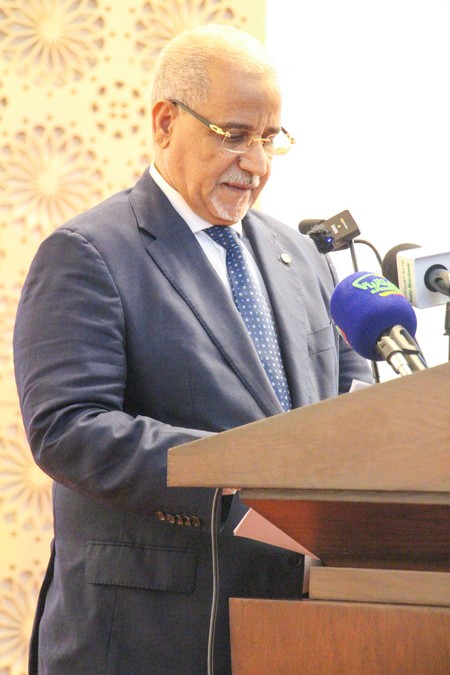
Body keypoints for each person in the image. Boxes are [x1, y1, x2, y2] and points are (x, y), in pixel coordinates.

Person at [13, 24, 372, 675]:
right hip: (145, 636)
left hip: (297, 625)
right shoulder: (89, 253)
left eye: (269, 138)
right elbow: (68, 428)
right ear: (165, 122)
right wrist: (241, 467)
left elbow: (350, 401)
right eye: (234, 135)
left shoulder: (301, 255)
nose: (257, 164)